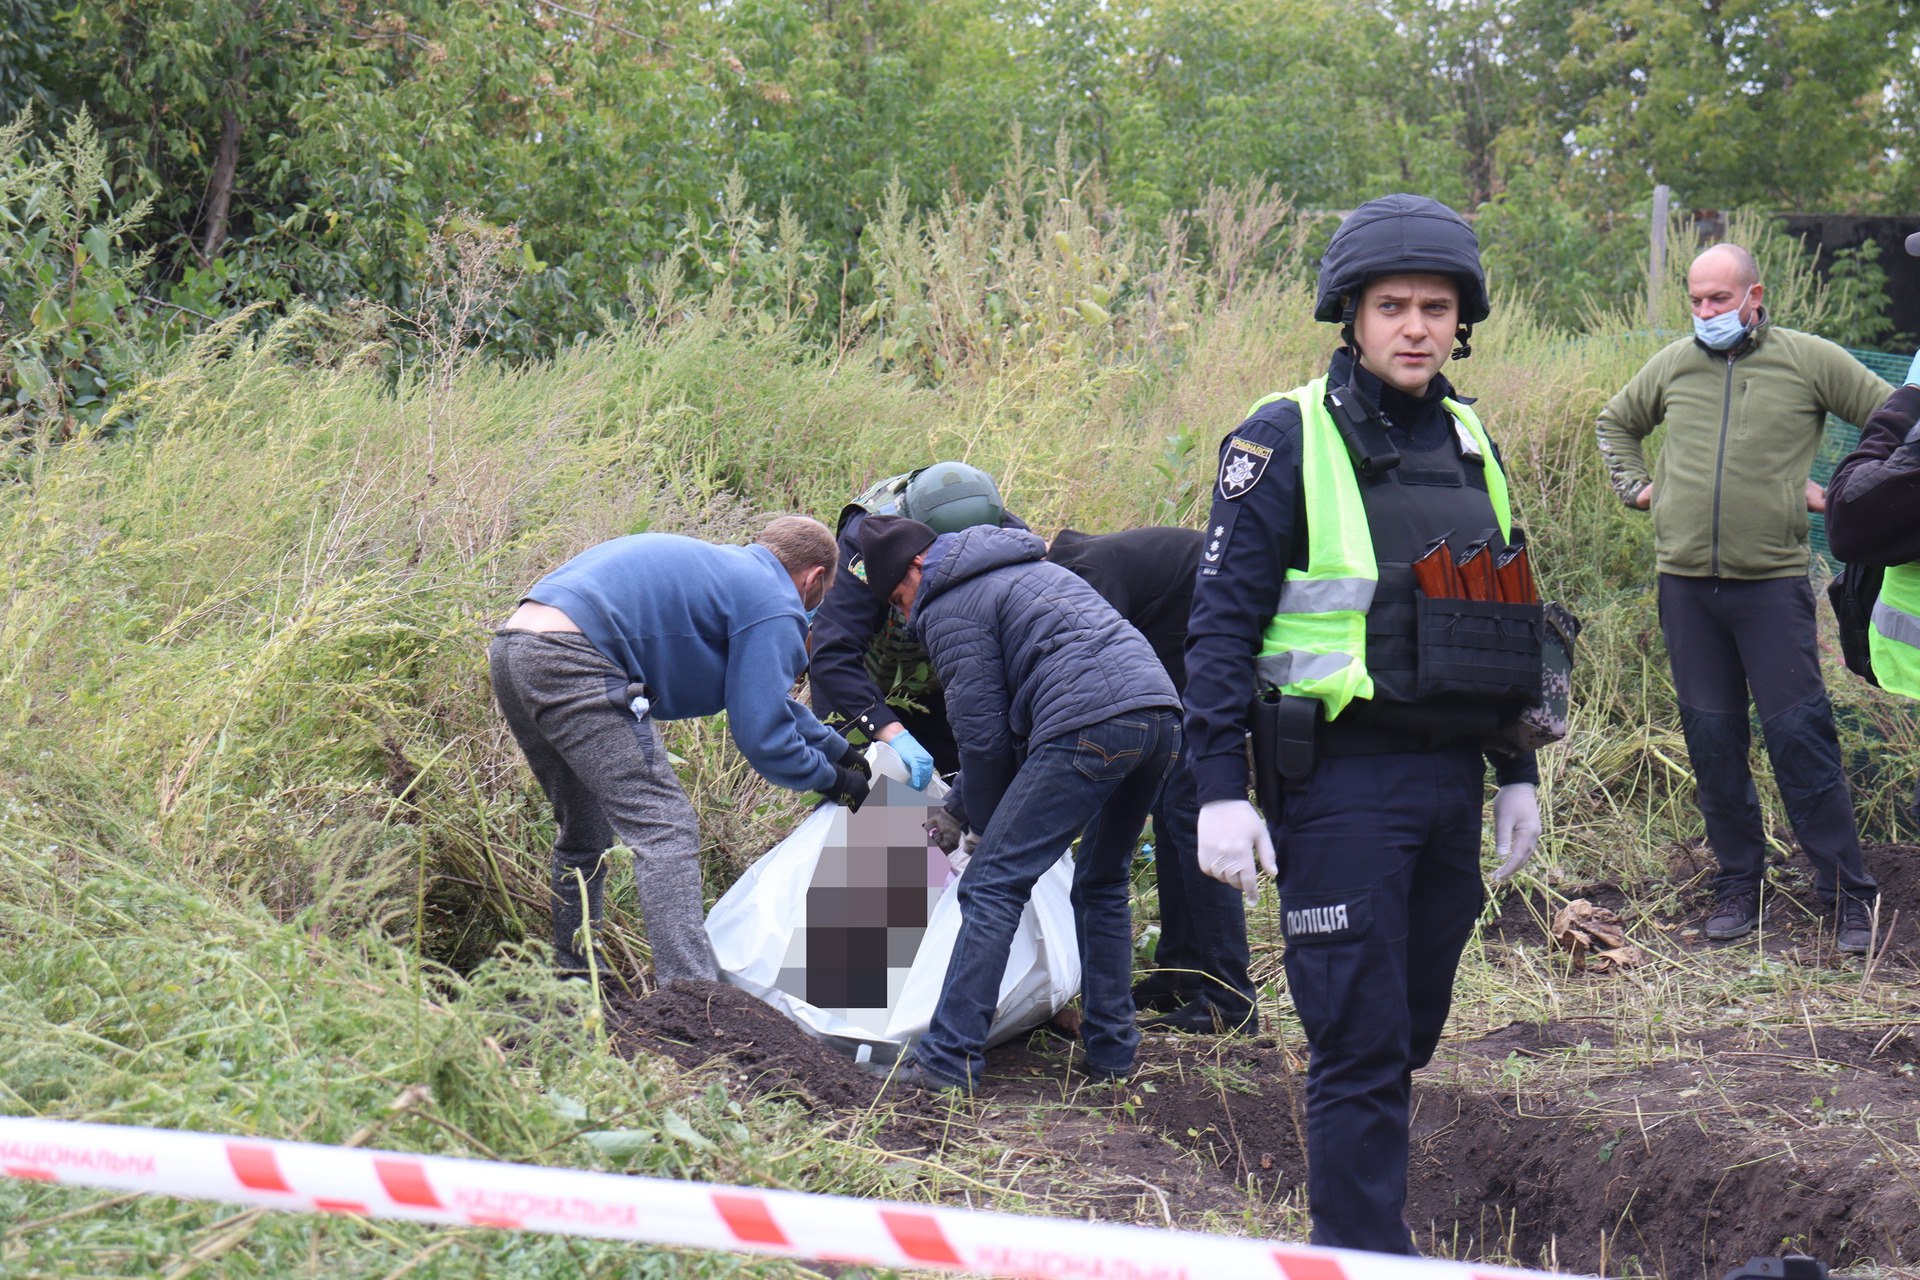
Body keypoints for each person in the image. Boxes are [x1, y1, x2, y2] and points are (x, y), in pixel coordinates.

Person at [1182, 193, 1545, 1254]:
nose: (1417, 326)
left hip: (1447, 784)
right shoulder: (1282, 433)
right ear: (1351, 313)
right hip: (1337, 784)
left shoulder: (1472, 436)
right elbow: (1218, 629)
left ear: (1461, 318)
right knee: (1357, 1040)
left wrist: (1514, 765)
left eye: (1436, 307)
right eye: (1393, 306)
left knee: (1408, 1026)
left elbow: (1502, 614)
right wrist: (1217, 787)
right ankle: (1362, 1254)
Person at [1596, 242, 1893, 953]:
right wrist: (1637, 489)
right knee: (1712, 739)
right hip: (1687, 587)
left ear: (1753, 295)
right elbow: (1615, 423)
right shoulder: (1674, 364)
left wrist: (1845, 492)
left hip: (1772, 586)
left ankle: (1848, 896)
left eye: (1719, 300)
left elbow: (1892, 420)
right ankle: (1739, 887)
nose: (1706, 314)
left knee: (1800, 737)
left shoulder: (1807, 359)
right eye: (1696, 301)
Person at [855, 514, 1181, 1091]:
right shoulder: (1025, 568)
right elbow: (1007, 733)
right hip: (1158, 713)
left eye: (900, 598)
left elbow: (981, 740)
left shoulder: (949, 607)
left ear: (916, 567)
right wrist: (961, 812)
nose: (904, 616)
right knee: (1102, 882)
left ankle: (948, 1059)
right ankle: (1112, 1052)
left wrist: (973, 825)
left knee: (992, 884)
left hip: (1089, 723)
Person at [489, 516, 871, 985]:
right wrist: (831, 779)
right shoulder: (776, 604)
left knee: (584, 832)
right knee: (665, 828)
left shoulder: (732, 575)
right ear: (814, 578)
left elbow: (765, 701)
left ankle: (575, 982)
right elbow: (764, 738)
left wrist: (835, 748)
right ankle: (693, 996)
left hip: (515, 646)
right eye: (823, 594)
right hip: (576, 657)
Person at [1044, 526, 1258, 1033]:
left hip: (1225, 669)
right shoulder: (1086, 565)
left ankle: (1229, 1000)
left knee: (1191, 817)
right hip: (1190, 674)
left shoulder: (1087, 576)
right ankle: (1179, 973)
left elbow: (1091, 675)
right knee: (1170, 814)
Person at [808, 462, 1027, 786]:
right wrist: (891, 733)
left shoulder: (1009, 537)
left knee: (966, 790)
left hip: (941, 675)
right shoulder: (871, 538)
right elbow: (832, 652)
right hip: (860, 677)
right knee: (858, 795)